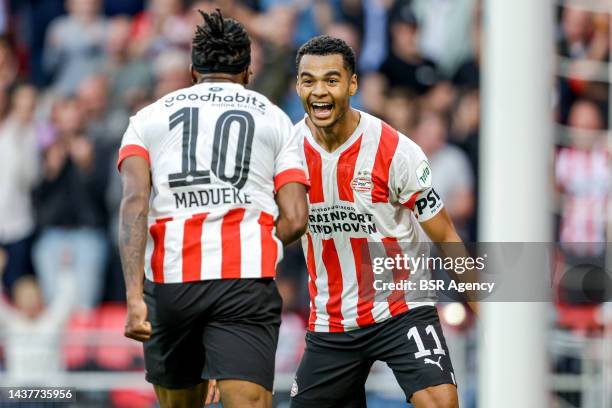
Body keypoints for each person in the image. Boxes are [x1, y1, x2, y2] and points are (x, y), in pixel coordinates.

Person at [117, 9, 309, 408]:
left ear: (191, 71)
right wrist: (255, 241)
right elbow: (295, 217)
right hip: (244, 280)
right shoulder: (275, 119)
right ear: (247, 73)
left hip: (171, 283)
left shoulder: (147, 119)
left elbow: (134, 203)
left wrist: (134, 297)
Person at [291, 35, 460, 408]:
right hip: (332, 320)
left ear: (352, 84)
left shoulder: (396, 150)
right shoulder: (285, 155)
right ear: (298, 85)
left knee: (441, 403)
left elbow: (446, 233)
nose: (319, 91)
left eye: (331, 80)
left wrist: (488, 312)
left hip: (401, 307)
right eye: (309, 80)